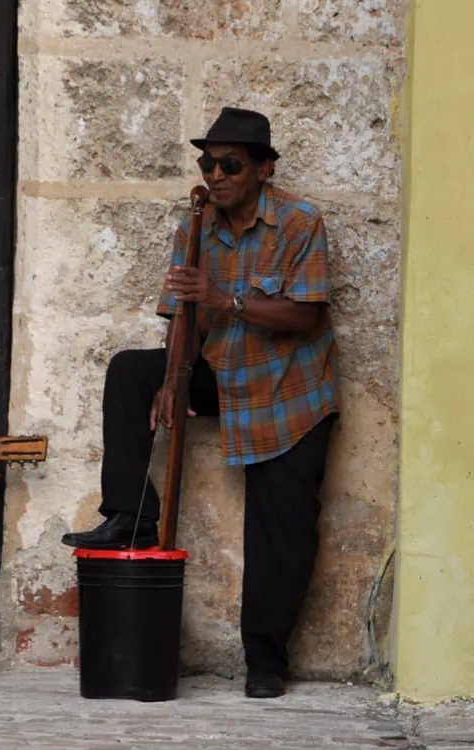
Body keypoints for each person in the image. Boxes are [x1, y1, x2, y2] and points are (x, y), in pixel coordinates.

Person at [61, 107, 340, 699]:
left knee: (281, 535)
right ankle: (131, 516)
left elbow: (307, 315)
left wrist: (225, 299)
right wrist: (172, 380)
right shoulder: (195, 226)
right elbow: (181, 317)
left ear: (263, 169)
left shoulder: (299, 222)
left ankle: (265, 664)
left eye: (229, 165)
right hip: (222, 371)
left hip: (288, 393)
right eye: (207, 164)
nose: (215, 175)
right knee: (131, 372)